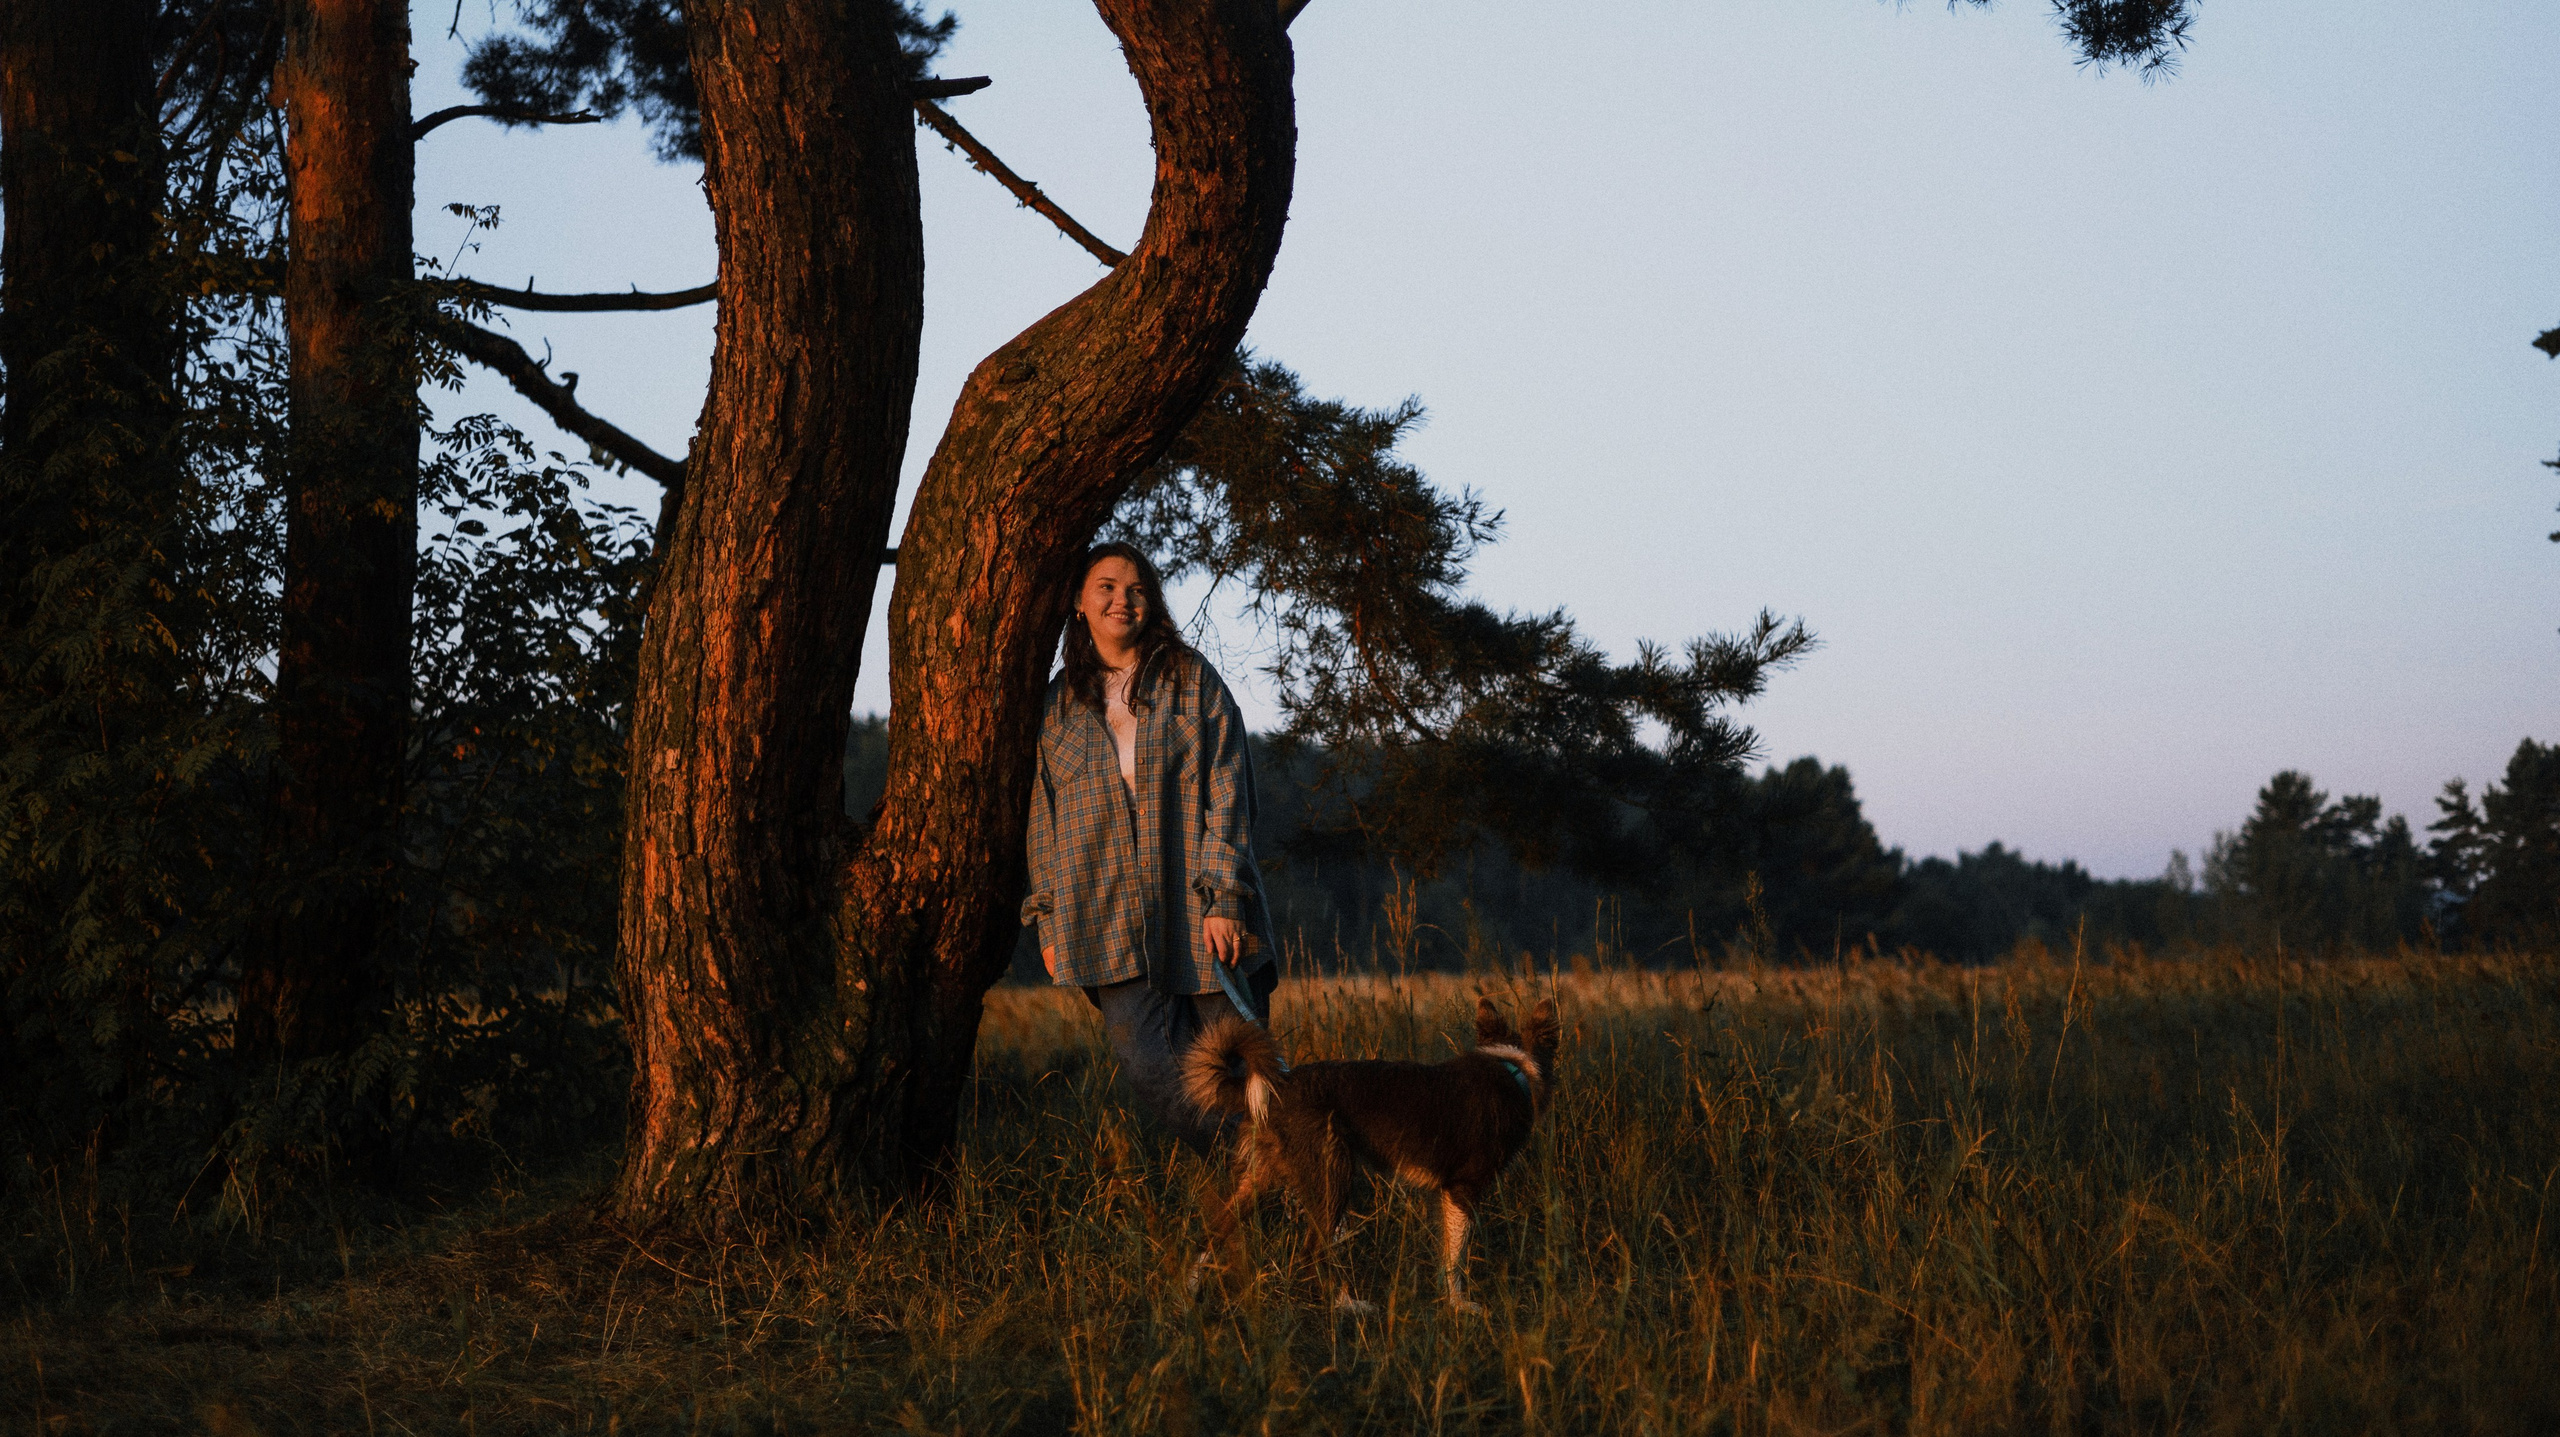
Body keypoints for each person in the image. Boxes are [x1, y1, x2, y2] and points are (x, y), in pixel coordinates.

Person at [1021, 541, 1280, 1153]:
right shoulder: (1059, 704)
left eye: (1137, 589)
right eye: (1107, 586)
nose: (1122, 600)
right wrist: (1051, 921)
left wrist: (1225, 899)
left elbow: (1228, 790)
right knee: (1154, 1072)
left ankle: (1286, 1196)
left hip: (1202, 910)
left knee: (1246, 1072)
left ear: (1152, 603)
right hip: (1103, 918)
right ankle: (1263, 1175)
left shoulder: (1193, 681)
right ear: (1079, 603)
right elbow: (1044, 816)